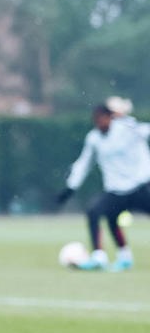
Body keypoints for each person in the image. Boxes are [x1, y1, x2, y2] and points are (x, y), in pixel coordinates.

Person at [56, 97, 150, 272]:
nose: (99, 123)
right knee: (96, 212)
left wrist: (126, 120)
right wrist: (70, 188)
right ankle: (106, 257)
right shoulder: (93, 138)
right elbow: (84, 163)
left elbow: (145, 130)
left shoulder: (126, 128)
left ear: (110, 117)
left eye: (102, 118)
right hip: (115, 190)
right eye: (96, 120)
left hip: (140, 186)